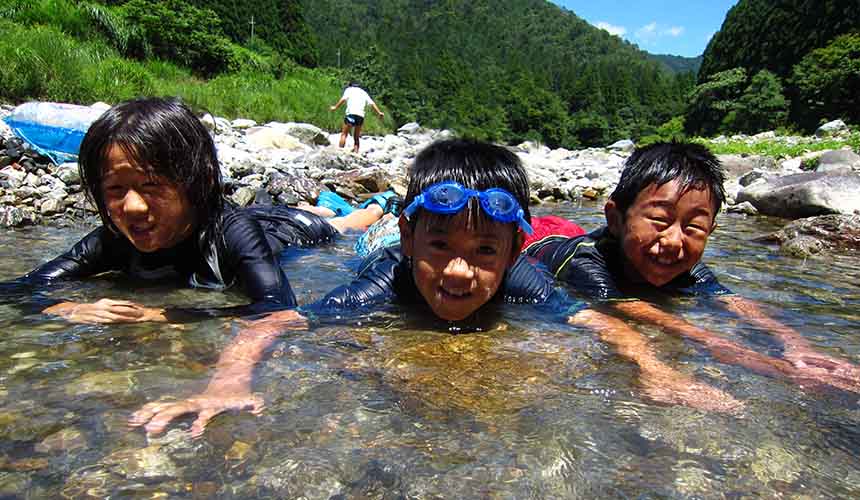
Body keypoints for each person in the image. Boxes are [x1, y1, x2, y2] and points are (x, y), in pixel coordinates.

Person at [129, 139, 749, 437]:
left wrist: (653, 369)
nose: (460, 270)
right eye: (441, 245)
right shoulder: (389, 276)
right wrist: (229, 381)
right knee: (351, 239)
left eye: (484, 251)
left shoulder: (522, 275)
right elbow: (272, 321)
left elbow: (604, 323)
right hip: (378, 247)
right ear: (412, 236)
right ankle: (363, 217)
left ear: (512, 251)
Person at [1, 97, 382, 324]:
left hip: (291, 232)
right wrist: (66, 309)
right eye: (115, 190)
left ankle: (372, 207)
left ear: (194, 181)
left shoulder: (231, 233)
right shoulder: (112, 240)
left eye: (151, 186)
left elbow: (277, 308)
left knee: (342, 225)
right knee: (281, 212)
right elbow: (18, 290)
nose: (132, 206)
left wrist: (165, 316)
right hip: (260, 219)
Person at [525, 141, 860, 395]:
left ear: (711, 231)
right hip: (543, 243)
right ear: (615, 217)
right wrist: (749, 357)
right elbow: (633, 309)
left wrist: (798, 346)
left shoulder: (683, 264)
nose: (674, 240)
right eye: (659, 220)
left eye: (693, 228)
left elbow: (734, 301)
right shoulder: (585, 262)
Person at [329, 81, 385, 153]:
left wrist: (335, 107)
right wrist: (379, 112)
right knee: (356, 137)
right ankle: (356, 153)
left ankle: (340, 152)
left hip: (351, 114)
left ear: (351, 85)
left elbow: (343, 99)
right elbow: (372, 103)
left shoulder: (349, 90)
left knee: (344, 134)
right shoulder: (364, 92)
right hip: (360, 116)